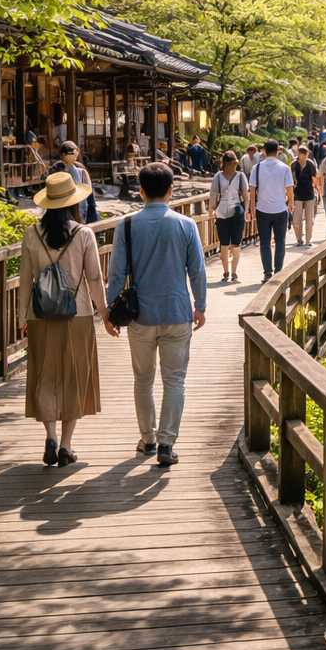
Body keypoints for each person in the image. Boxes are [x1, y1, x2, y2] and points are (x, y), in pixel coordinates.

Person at [105, 163, 207, 468]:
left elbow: (116, 274)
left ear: (141, 191)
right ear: (171, 190)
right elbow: (197, 271)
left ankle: (147, 439)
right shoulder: (186, 224)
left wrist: (110, 311)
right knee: (174, 380)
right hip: (177, 312)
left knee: (143, 379)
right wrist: (200, 306)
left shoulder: (126, 226)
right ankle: (166, 444)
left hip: (140, 316)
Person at [21, 172, 116, 468]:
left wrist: (22, 317)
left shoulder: (31, 233)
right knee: (75, 376)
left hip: (40, 314)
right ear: (74, 202)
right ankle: (66, 446)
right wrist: (105, 314)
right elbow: (95, 278)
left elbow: (25, 280)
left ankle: (50, 436)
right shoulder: (84, 234)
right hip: (79, 314)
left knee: (45, 375)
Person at [248, 140, 294, 280]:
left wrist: (252, 208)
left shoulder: (256, 168)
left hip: (262, 209)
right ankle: (278, 271)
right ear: (278, 150)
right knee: (280, 241)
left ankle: (267, 272)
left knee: (264, 242)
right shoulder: (284, 168)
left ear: (264, 151)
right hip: (280, 208)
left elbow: (252, 190)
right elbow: (289, 189)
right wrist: (291, 204)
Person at [210, 150, 250, 283]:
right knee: (229, 244)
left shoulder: (233, 176)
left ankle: (230, 272)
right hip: (229, 211)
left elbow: (213, 195)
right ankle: (230, 271)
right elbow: (246, 196)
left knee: (229, 244)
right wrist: (246, 211)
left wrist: (212, 209)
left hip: (227, 212)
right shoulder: (234, 176)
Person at [51, 141, 99, 222]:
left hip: (79, 203)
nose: (73, 156)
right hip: (60, 203)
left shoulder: (81, 169)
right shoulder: (56, 167)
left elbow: (89, 191)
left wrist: (91, 209)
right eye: (69, 154)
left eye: (74, 154)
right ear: (63, 155)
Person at [291, 143, 319, 246]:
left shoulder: (310, 164)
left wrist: (316, 188)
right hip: (297, 194)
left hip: (309, 193)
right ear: (298, 153)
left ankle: (308, 240)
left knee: (310, 220)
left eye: (305, 152)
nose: (303, 154)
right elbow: (290, 178)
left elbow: (314, 178)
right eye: (301, 152)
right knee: (296, 220)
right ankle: (299, 239)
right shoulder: (294, 165)